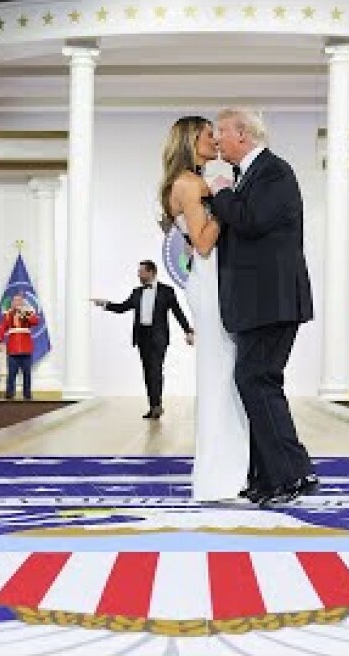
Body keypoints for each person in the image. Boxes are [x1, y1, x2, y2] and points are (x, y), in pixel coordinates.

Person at [207, 107, 317, 507]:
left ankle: (291, 474)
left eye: (221, 131)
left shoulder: (273, 171)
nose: (217, 140)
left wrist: (220, 194)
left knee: (256, 381)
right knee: (259, 383)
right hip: (261, 304)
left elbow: (251, 221)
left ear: (244, 135)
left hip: (273, 302)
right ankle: (271, 479)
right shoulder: (253, 174)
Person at [158, 115, 249, 501]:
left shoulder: (188, 183)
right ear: (190, 140)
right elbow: (203, 242)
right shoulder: (191, 184)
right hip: (210, 281)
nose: (214, 140)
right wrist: (227, 199)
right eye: (208, 135)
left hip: (211, 281)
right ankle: (220, 476)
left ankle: (229, 470)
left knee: (225, 375)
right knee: (220, 376)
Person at [93, 261, 194, 419]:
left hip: (159, 336)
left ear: (151, 272)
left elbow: (177, 312)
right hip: (142, 336)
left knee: (156, 370)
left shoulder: (166, 291)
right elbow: (123, 307)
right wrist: (106, 305)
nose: (138, 274)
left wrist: (188, 330)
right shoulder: (136, 292)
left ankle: (157, 405)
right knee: (148, 372)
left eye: (141, 272)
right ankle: (153, 405)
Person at [0, 294, 41, 400]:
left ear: (22, 302)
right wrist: (0, 341)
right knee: (11, 373)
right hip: (13, 349)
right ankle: (10, 395)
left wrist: (24, 314)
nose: (17, 303)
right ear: (12, 303)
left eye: (19, 301)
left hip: (26, 349)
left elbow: (35, 322)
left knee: (27, 373)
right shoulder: (8, 315)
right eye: (15, 301)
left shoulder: (28, 312)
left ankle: (27, 395)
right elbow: (2, 328)